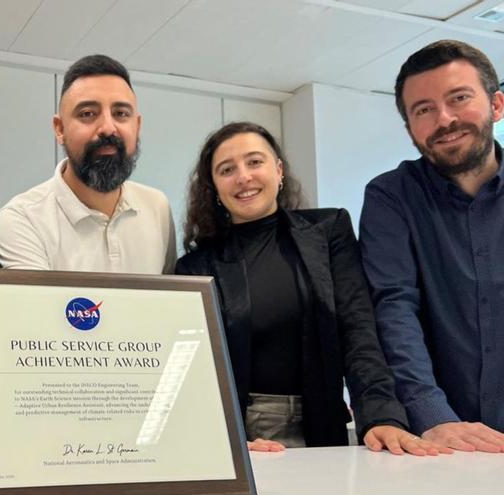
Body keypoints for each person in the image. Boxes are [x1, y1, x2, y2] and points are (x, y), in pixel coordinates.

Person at [176, 122, 450, 456]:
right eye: (227, 169)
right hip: (247, 435)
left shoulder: (328, 230)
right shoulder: (195, 266)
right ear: (214, 187)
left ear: (278, 170)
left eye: (255, 162)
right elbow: (194, 369)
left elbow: (358, 330)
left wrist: (381, 415)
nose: (243, 176)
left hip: (325, 419)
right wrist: (224, 436)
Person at [360, 39, 504, 453]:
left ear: (496, 105)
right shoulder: (391, 197)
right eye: (423, 110)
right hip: (439, 443)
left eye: (459, 98)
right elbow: (394, 305)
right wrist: (433, 415)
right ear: (410, 129)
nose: (445, 119)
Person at [0, 54, 176, 274]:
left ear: (137, 126)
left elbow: (168, 303)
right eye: (88, 114)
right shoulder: (22, 219)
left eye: (121, 113)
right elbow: (40, 309)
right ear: (59, 129)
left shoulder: (157, 207)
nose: (108, 128)